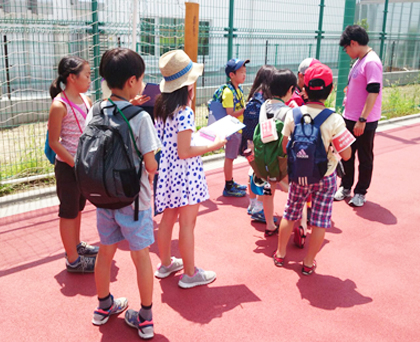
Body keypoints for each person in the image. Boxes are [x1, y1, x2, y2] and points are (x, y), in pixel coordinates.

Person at [89, 48, 160, 340]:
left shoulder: (95, 109)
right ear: (132, 81)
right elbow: (151, 165)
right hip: (134, 202)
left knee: (105, 253)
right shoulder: (141, 117)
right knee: (141, 256)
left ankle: (103, 306)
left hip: (103, 197)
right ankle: (144, 317)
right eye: (142, 79)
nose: (143, 84)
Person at [153, 50, 226, 289]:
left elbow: (174, 143)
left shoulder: (161, 107)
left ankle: (165, 264)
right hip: (186, 174)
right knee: (187, 224)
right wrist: (214, 144)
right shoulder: (184, 112)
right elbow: (185, 151)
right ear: (187, 84)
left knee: (168, 218)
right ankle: (190, 273)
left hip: (169, 171)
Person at [273, 63, 353, 275]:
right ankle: (308, 263)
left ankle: (280, 255)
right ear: (330, 90)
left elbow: (284, 146)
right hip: (324, 177)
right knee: (319, 221)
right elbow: (346, 154)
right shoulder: (335, 119)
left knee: (290, 214)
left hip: (298, 175)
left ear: (305, 88)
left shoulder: (293, 114)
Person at [47, 56, 98, 273]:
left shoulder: (86, 100)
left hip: (83, 166)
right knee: (68, 212)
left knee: (78, 209)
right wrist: (74, 162)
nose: (89, 80)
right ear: (71, 77)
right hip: (68, 168)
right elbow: (53, 142)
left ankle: (76, 246)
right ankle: (73, 260)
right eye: (86, 75)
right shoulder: (59, 105)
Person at [335, 25, 383, 207]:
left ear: (353, 43)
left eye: (346, 48)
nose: (346, 51)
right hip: (350, 116)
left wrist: (362, 119)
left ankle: (360, 191)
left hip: (364, 120)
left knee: (364, 156)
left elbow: (373, 91)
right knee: (347, 154)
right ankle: (346, 186)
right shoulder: (359, 60)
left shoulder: (371, 61)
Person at [258, 69, 297, 237]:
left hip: (264, 158)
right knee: (295, 191)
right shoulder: (289, 112)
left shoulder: (264, 105)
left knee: (269, 191)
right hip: (281, 159)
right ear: (290, 90)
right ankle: (297, 225)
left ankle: (269, 224)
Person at [244, 65, 276, 219]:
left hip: (250, 141)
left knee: (252, 171)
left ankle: (252, 203)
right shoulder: (267, 98)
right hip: (261, 141)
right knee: (264, 174)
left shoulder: (253, 95)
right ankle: (260, 207)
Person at [222, 58, 249, 197]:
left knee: (231, 157)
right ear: (231, 75)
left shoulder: (238, 89)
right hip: (232, 129)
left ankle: (230, 182)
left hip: (237, 128)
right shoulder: (228, 92)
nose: (244, 74)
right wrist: (245, 109)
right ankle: (228, 186)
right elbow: (230, 114)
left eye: (245, 71)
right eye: (241, 72)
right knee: (229, 158)